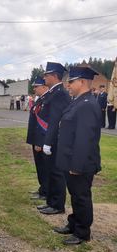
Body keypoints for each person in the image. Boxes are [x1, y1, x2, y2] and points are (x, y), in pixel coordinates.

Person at [53, 67, 101, 245]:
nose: (68, 85)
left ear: (82, 82)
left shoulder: (87, 104)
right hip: (70, 160)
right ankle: (74, 224)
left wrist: (77, 166)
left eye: (71, 81)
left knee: (81, 197)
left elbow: (85, 139)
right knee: (75, 194)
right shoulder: (78, 101)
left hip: (79, 162)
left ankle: (82, 232)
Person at [39, 62, 71, 215]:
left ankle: (57, 205)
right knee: (50, 171)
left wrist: (48, 142)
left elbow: (55, 120)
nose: (44, 77)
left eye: (46, 75)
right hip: (50, 138)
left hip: (56, 139)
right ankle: (51, 202)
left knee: (57, 173)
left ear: (54, 76)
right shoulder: (53, 92)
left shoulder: (59, 93)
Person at [26, 76, 50, 201]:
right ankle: (42, 189)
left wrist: (40, 142)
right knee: (39, 166)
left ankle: (46, 191)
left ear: (44, 86)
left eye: (36, 86)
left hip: (40, 141)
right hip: (35, 139)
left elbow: (45, 124)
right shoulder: (40, 100)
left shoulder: (47, 100)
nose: (34, 89)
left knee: (44, 167)